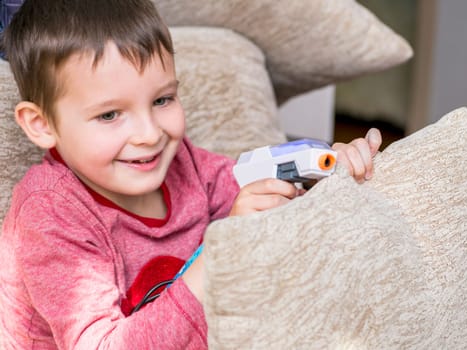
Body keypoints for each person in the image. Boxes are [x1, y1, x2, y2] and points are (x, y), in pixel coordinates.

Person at [0, 0, 382, 348]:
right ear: (41, 124)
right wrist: (215, 255)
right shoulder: (48, 212)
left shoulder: (184, 163)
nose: (150, 134)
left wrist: (326, 171)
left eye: (162, 100)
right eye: (110, 115)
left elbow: (264, 196)